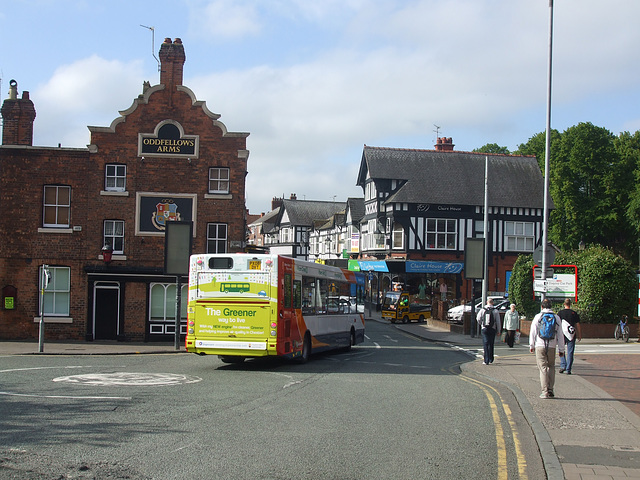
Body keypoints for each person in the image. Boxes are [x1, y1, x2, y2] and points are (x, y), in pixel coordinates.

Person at [529, 299, 565, 398]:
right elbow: (560, 335)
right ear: (551, 306)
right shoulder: (556, 318)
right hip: (552, 346)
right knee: (551, 366)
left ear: (542, 306)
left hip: (540, 345)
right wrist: (561, 349)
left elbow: (533, 331)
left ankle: (544, 392)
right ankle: (550, 389)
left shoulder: (538, 317)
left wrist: (531, 345)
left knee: (542, 368)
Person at [557, 298, 582, 374]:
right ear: (570, 304)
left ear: (564, 304)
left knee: (561, 350)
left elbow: (557, 324)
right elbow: (577, 325)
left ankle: (562, 365)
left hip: (562, 334)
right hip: (571, 334)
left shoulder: (560, 313)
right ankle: (568, 369)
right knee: (570, 352)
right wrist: (579, 335)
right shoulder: (574, 313)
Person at [476, 298, 501, 365]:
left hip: (485, 329)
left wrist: (482, 324)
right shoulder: (495, 311)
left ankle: (486, 360)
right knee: (491, 344)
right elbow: (498, 321)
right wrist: (499, 330)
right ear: (492, 303)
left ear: (487, 302)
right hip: (492, 329)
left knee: (485, 344)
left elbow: (478, 318)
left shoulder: (482, 310)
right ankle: (491, 359)